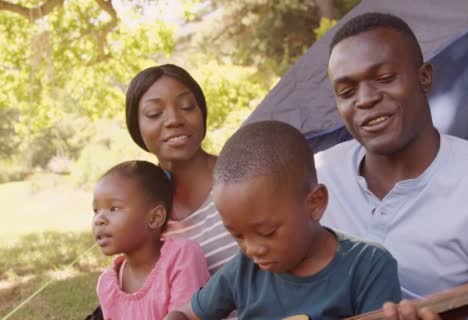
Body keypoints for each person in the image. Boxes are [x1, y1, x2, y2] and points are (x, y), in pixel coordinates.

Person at [316, 12, 468, 313]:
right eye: (346, 92)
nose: (365, 99)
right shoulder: (316, 175)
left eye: (384, 78)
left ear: (424, 77)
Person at [164, 121, 402, 320]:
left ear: (315, 203)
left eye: (267, 232)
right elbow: (185, 314)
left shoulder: (369, 267)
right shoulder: (244, 269)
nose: (252, 249)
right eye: (237, 235)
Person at [125, 64, 239, 273]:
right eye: (154, 113)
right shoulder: (143, 212)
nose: (174, 120)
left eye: (186, 107)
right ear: (136, 127)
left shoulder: (244, 178)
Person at [93, 160, 210, 319]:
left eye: (114, 208)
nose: (99, 219)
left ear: (155, 217)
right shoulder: (106, 285)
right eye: (96, 210)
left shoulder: (181, 258)